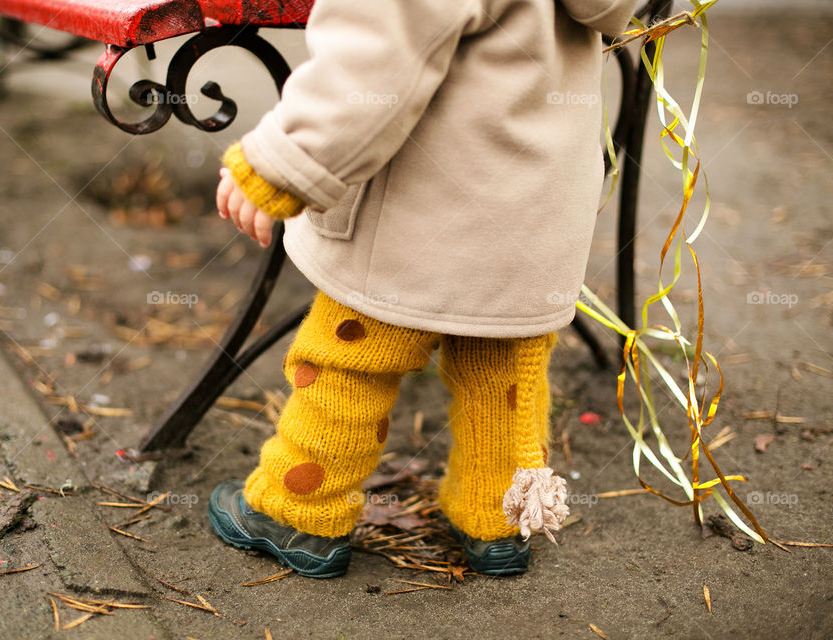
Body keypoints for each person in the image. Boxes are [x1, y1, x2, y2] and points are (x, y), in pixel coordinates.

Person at [208, 0, 638, 578]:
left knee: (348, 364)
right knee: (504, 378)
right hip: (533, 219)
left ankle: (298, 509)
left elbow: (375, 55)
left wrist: (284, 162)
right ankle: (498, 521)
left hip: (417, 222)